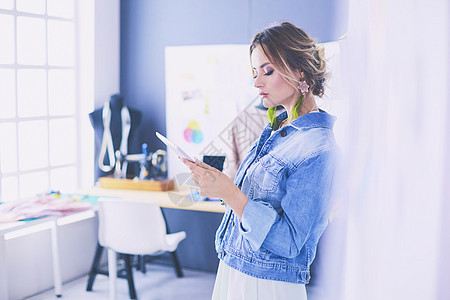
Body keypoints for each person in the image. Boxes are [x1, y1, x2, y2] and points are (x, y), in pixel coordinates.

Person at [183, 22, 337, 300]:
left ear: (299, 70)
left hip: (268, 285)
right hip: (235, 269)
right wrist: (218, 186)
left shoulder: (319, 149)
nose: (256, 82)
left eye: (267, 71)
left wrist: (230, 194)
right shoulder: (275, 130)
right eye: (254, 72)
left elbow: (289, 242)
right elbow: (249, 201)